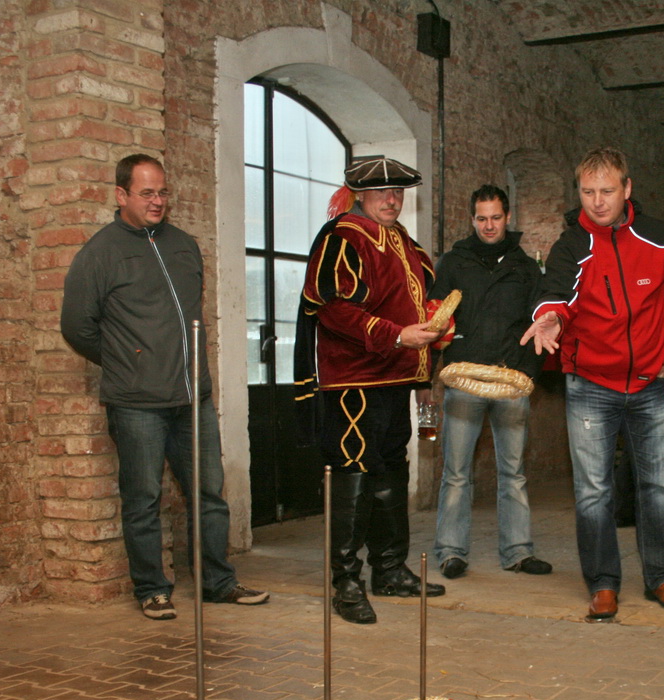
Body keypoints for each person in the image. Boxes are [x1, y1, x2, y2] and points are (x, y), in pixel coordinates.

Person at [61, 154, 269, 620]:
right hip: (137, 403)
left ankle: (217, 582)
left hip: (193, 398)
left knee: (209, 495)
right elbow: (77, 326)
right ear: (121, 195)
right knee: (144, 500)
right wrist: (128, 360)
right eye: (147, 193)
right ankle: (152, 589)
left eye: (163, 192)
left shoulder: (184, 245)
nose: (157, 201)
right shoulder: (100, 253)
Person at [520, 147, 664, 622]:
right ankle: (602, 584)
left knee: (658, 487)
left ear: (627, 188)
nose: (597, 201)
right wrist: (551, 317)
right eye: (588, 192)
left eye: (607, 191)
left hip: (650, 384)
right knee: (593, 492)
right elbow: (555, 292)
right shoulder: (571, 245)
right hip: (591, 385)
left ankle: (663, 577)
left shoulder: (660, 238)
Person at [297, 156, 445, 623]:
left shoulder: (403, 242)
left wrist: (426, 361)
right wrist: (396, 336)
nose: (392, 199)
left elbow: (417, 308)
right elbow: (333, 310)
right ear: (359, 194)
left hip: (396, 378)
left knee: (391, 472)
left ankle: (389, 569)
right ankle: (345, 582)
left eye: (398, 192)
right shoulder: (343, 237)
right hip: (354, 380)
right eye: (382, 191)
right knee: (353, 472)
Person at [431, 185, 551, 579]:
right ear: (472, 219)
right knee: (456, 472)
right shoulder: (453, 262)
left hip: (510, 381)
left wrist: (528, 373)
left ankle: (518, 552)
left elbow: (540, 324)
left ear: (507, 217)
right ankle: (451, 552)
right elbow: (436, 315)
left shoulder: (525, 267)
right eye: (481, 218)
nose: (488, 225)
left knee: (513, 472)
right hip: (464, 380)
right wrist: (443, 358)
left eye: (495, 217)